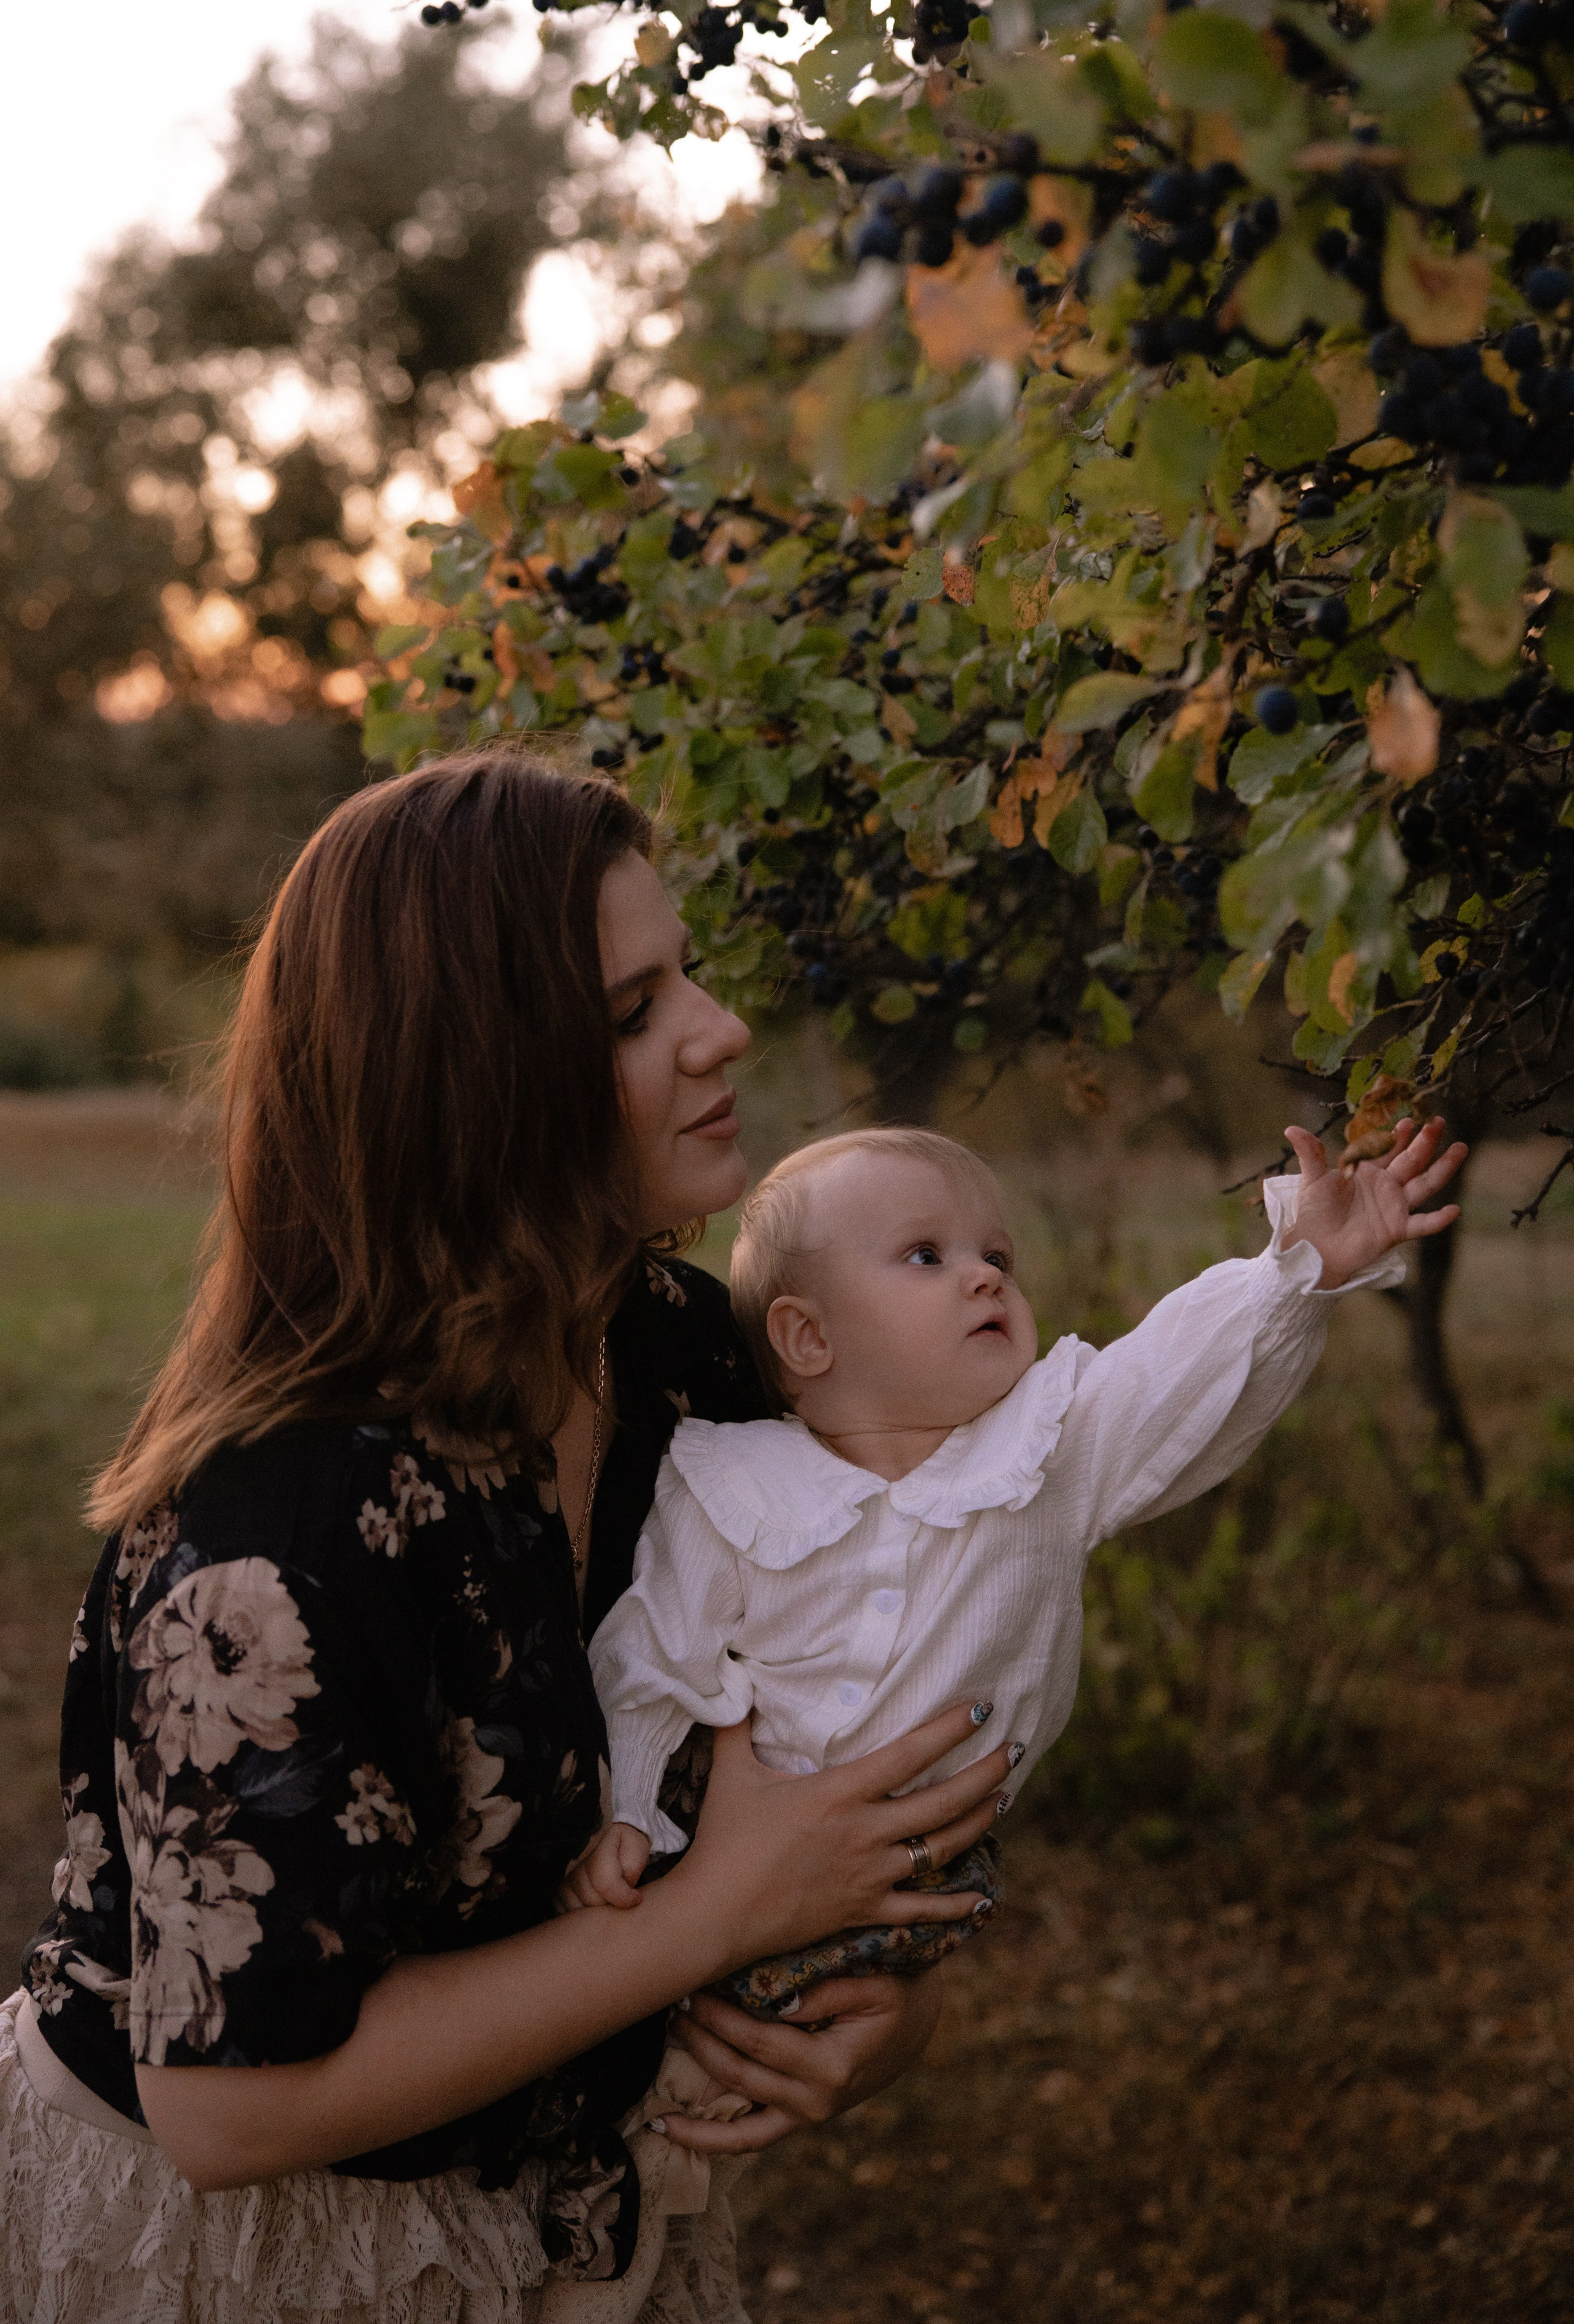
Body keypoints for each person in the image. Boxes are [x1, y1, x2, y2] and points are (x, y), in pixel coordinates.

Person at [1, 748, 1009, 2324]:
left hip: (562, 2203)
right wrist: (720, 1914)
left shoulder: (683, 1352)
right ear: (469, 1081)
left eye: (688, 978)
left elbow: (837, 1725)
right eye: (631, 1011)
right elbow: (228, 2110)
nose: (720, 1030)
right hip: (259, 2261)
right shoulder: (270, 1533)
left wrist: (875, 2013)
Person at [563, 1115, 1465, 2104]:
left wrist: (1297, 1265)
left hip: (909, 1900)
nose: (985, 1276)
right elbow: (654, 1652)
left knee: (718, 2082)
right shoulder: (726, 1479)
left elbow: (1170, 1375)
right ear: (806, 1335)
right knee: (638, 2067)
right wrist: (627, 1815)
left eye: (997, 1255)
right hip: (705, 1861)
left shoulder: (1047, 1450)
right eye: (926, 1254)